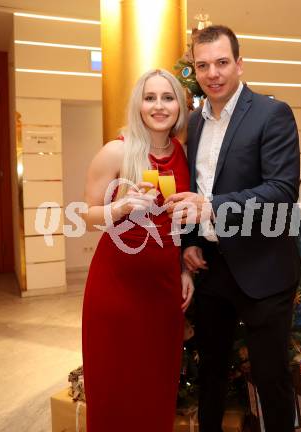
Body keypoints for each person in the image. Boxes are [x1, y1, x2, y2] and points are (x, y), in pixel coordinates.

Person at [166, 25, 301, 432]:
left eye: (222, 62)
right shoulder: (193, 122)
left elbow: (281, 191)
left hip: (263, 267)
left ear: (239, 64)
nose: (213, 74)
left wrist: (211, 208)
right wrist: (189, 243)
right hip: (212, 269)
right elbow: (192, 187)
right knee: (211, 375)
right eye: (203, 65)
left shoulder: (271, 113)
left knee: (270, 376)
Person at [81, 69, 194, 432]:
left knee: (157, 387)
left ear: (179, 104)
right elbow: (85, 215)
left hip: (163, 292)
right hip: (116, 290)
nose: (159, 106)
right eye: (150, 98)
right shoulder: (117, 151)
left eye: (167, 97)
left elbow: (178, 222)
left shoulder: (181, 153)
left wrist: (184, 270)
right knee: (115, 387)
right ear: (138, 105)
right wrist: (120, 207)